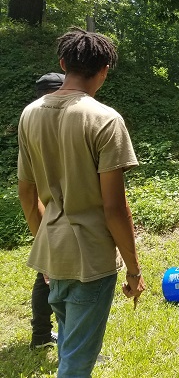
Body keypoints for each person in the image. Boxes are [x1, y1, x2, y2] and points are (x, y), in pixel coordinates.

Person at [17, 27, 145, 376]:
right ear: (104, 69)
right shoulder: (105, 119)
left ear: (63, 62)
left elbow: (27, 194)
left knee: (69, 345)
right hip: (90, 259)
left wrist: (44, 243)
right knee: (75, 363)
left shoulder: (30, 114)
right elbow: (114, 208)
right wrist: (134, 270)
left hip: (51, 253)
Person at [28, 72, 66, 350]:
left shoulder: (33, 125)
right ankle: (50, 336)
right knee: (52, 278)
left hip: (53, 216)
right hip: (55, 216)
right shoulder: (44, 127)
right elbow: (27, 191)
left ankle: (42, 335)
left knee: (49, 275)